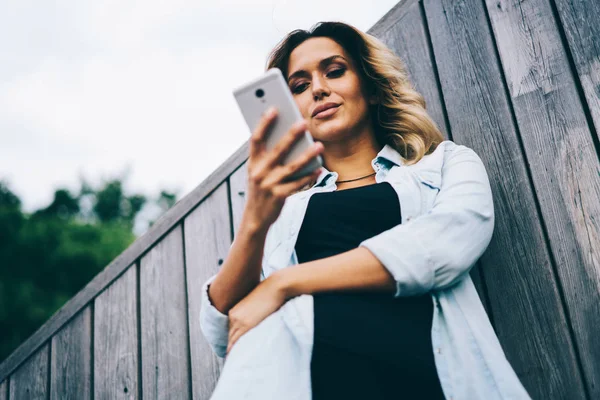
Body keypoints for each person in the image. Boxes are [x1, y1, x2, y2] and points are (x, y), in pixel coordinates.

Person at [200, 21, 531, 399]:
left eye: (335, 71)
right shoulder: (286, 205)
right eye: (300, 86)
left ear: (372, 88)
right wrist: (255, 222)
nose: (319, 89)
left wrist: (284, 282)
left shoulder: (443, 165)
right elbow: (225, 325)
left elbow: (446, 245)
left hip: (429, 378)